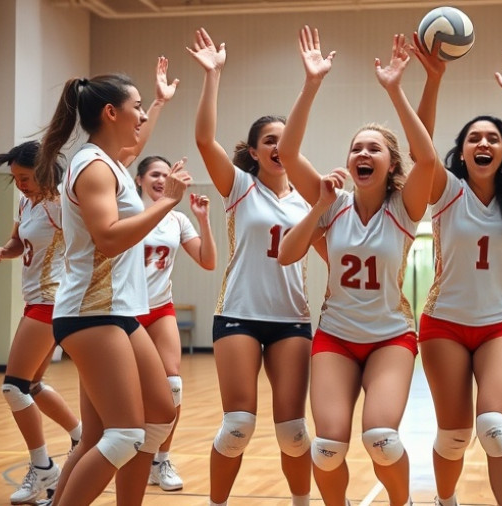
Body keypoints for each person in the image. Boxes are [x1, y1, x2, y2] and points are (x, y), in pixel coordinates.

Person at [276, 28, 437, 506]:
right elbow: (287, 154)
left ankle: (402, 502)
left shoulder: (406, 208)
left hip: (391, 336)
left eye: (374, 149)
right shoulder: (332, 201)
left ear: (390, 165)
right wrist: (311, 85)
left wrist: (395, 88)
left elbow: (426, 155)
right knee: (326, 449)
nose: (363, 154)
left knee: (381, 440)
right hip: (336, 337)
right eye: (356, 148)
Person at [410, 35, 502, 506]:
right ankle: (445, 500)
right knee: (454, 435)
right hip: (444, 325)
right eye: (474, 137)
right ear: (462, 150)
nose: (483, 142)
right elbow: (421, 148)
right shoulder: (445, 189)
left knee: (496, 427)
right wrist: (433, 80)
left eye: (493, 138)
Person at [33, 69, 187, 506]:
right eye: (136, 107)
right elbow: (109, 236)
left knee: (157, 415)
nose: (139, 116)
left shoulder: (108, 162)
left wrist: (159, 103)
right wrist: (167, 205)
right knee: (124, 435)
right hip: (90, 313)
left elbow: (133, 144)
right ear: (110, 111)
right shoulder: (93, 167)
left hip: (115, 312)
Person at [188, 27, 316, 506]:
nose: (279, 147)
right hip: (239, 313)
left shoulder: (312, 195)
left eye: (286, 140)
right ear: (257, 149)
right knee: (238, 425)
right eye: (269, 140)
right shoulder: (241, 187)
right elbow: (204, 139)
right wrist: (213, 76)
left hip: (293, 319)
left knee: (294, 432)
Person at [0, 141, 82, 505]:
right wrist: (3, 250)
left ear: (43, 171)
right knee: (34, 385)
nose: (21, 185)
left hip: (52, 302)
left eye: (25, 177)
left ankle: (44, 470)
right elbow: (16, 242)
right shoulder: (26, 202)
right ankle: (79, 436)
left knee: (13, 388)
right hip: (35, 302)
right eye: (15, 179)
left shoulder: (62, 207)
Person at [134, 155, 217, 491]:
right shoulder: (125, 209)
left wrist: (203, 220)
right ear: (138, 179)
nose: (161, 180)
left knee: (173, 386)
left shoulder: (177, 219)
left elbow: (208, 261)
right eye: (154, 174)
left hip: (159, 309)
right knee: (129, 392)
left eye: (166, 175)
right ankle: (115, 452)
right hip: (124, 311)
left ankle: (161, 460)